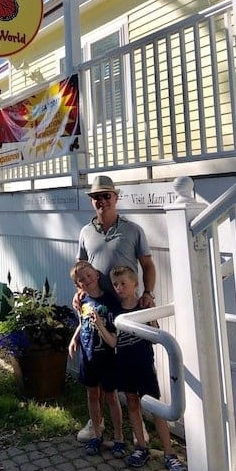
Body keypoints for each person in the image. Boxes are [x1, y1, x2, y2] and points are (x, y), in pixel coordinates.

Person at [75, 175, 157, 442]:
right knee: (99, 366)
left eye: (106, 196)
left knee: (131, 364)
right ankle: (96, 421)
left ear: (115, 197)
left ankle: (138, 427)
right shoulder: (85, 232)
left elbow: (148, 265)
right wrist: (80, 293)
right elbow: (82, 268)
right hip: (98, 308)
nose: (101, 201)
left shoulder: (133, 230)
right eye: (96, 197)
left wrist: (148, 293)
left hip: (126, 308)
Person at [110, 265, 187, 471]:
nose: (119, 288)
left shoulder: (144, 307)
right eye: (115, 284)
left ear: (135, 284)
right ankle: (141, 447)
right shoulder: (114, 311)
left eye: (123, 283)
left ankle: (169, 453)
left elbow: (156, 334)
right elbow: (113, 339)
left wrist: (151, 313)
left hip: (144, 365)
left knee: (156, 408)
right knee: (133, 404)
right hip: (124, 365)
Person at [68, 261, 126, 458]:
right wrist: (74, 338)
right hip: (88, 356)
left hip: (107, 357)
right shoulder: (82, 301)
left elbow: (117, 329)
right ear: (78, 284)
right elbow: (83, 323)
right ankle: (97, 434)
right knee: (92, 394)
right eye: (81, 279)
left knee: (111, 396)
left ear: (97, 275)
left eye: (88, 275)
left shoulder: (111, 300)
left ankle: (119, 437)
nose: (86, 280)